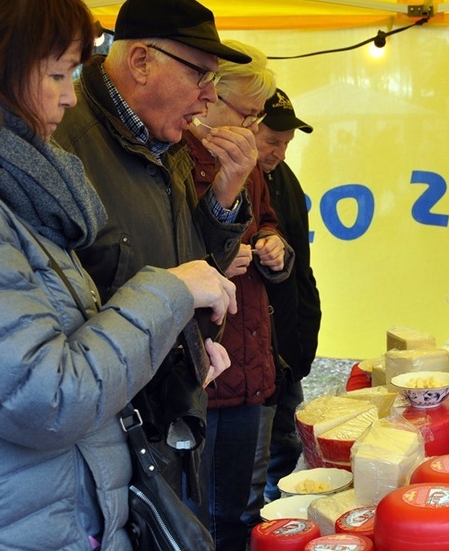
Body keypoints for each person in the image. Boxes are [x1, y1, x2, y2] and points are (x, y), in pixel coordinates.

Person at [0, 1, 235, 549]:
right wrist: (169, 292)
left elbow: (59, 330)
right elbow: (45, 395)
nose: (70, 95)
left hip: (51, 514)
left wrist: (175, 342)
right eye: (57, 74)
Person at [52, 0, 257, 505]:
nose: (209, 99)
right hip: (103, 441)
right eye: (200, 77)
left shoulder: (170, 143)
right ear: (142, 61)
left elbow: (188, 262)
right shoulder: (64, 143)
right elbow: (64, 313)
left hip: (168, 417)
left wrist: (225, 199)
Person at [183, 40, 293, 551]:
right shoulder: (171, 156)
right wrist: (214, 264)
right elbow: (161, 258)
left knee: (241, 513)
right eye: (245, 114)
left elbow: (268, 224)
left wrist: (275, 249)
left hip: (250, 360)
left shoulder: (245, 163)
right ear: (208, 92)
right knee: (195, 515)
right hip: (200, 367)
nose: (251, 129)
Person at [242, 89, 322, 525]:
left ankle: (278, 520)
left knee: (287, 444)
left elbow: (300, 267)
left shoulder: (284, 180)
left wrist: (304, 331)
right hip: (252, 352)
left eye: (287, 143)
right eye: (273, 139)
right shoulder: (232, 178)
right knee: (257, 458)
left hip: (286, 343)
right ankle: (267, 525)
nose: (279, 151)